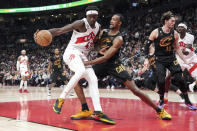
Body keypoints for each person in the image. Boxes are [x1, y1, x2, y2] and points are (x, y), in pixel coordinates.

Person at [72, 14, 172, 121]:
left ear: (119, 23)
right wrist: (98, 49)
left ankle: (159, 110)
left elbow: (105, 58)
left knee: (135, 90)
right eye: (111, 19)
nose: (111, 21)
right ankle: (85, 109)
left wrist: (86, 63)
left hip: (114, 65)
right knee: (75, 80)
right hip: (100, 65)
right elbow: (94, 45)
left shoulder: (119, 38)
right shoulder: (103, 32)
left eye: (114, 20)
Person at [35, 6, 114, 124]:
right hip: (71, 52)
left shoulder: (98, 27)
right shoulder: (80, 23)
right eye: (90, 16)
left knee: (93, 79)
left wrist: (99, 50)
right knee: (81, 70)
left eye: (94, 16)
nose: (92, 19)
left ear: (97, 16)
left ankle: (98, 111)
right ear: (87, 16)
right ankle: (61, 98)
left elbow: (94, 44)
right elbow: (59, 30)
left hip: (83, 56)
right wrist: (44, 33)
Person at [144, 11, 196, 110]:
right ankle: (162, 100)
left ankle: (187, 101)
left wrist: (184, 60)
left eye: (174, 21)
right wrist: (146, 59)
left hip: (171, 59)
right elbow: (146, 46)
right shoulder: (156, 32)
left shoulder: (175, 33)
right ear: (166, 21)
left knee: (181, 80)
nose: (174, 23)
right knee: (161, 80)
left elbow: (177, 49)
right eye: (172, 21)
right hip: (159, 60)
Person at [176, 23, 197, 92]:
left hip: (191, 57)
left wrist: (180, 50)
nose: (179, 28)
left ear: (185, 29)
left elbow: (187, 51)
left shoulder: (190, 36)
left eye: (181, 27)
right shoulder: (175, 36)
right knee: (173, 73)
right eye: (178, 27)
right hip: (180, 58)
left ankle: (192, 84)